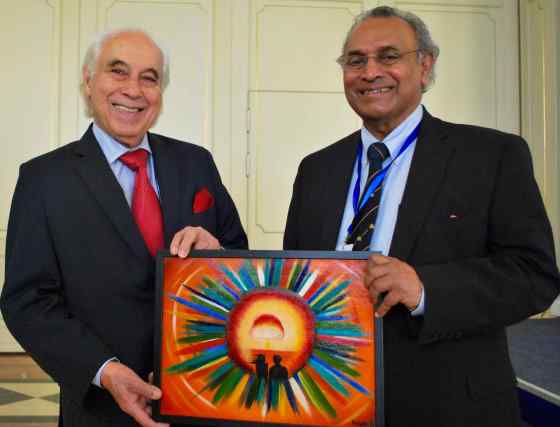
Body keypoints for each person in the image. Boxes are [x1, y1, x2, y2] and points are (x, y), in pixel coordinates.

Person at [283, 6, 560, 427]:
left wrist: (426, 288)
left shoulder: (491, 156)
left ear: (425, 66)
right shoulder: (316, 169)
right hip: (331, 399)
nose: (370, 72)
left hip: (451, 405)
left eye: (389, 56)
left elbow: (534, 276)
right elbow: (294, 279)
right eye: (356, 61)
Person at [0, 28, 247, 427]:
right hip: (100, 408)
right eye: (118, 71)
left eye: (149, 78)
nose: (133, 90)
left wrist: (218, 254)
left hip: (204, 397)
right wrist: (104, 370)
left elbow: (243, 261)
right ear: (88, 81)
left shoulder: (196, 163)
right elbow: (27, 302)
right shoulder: (43, 179)